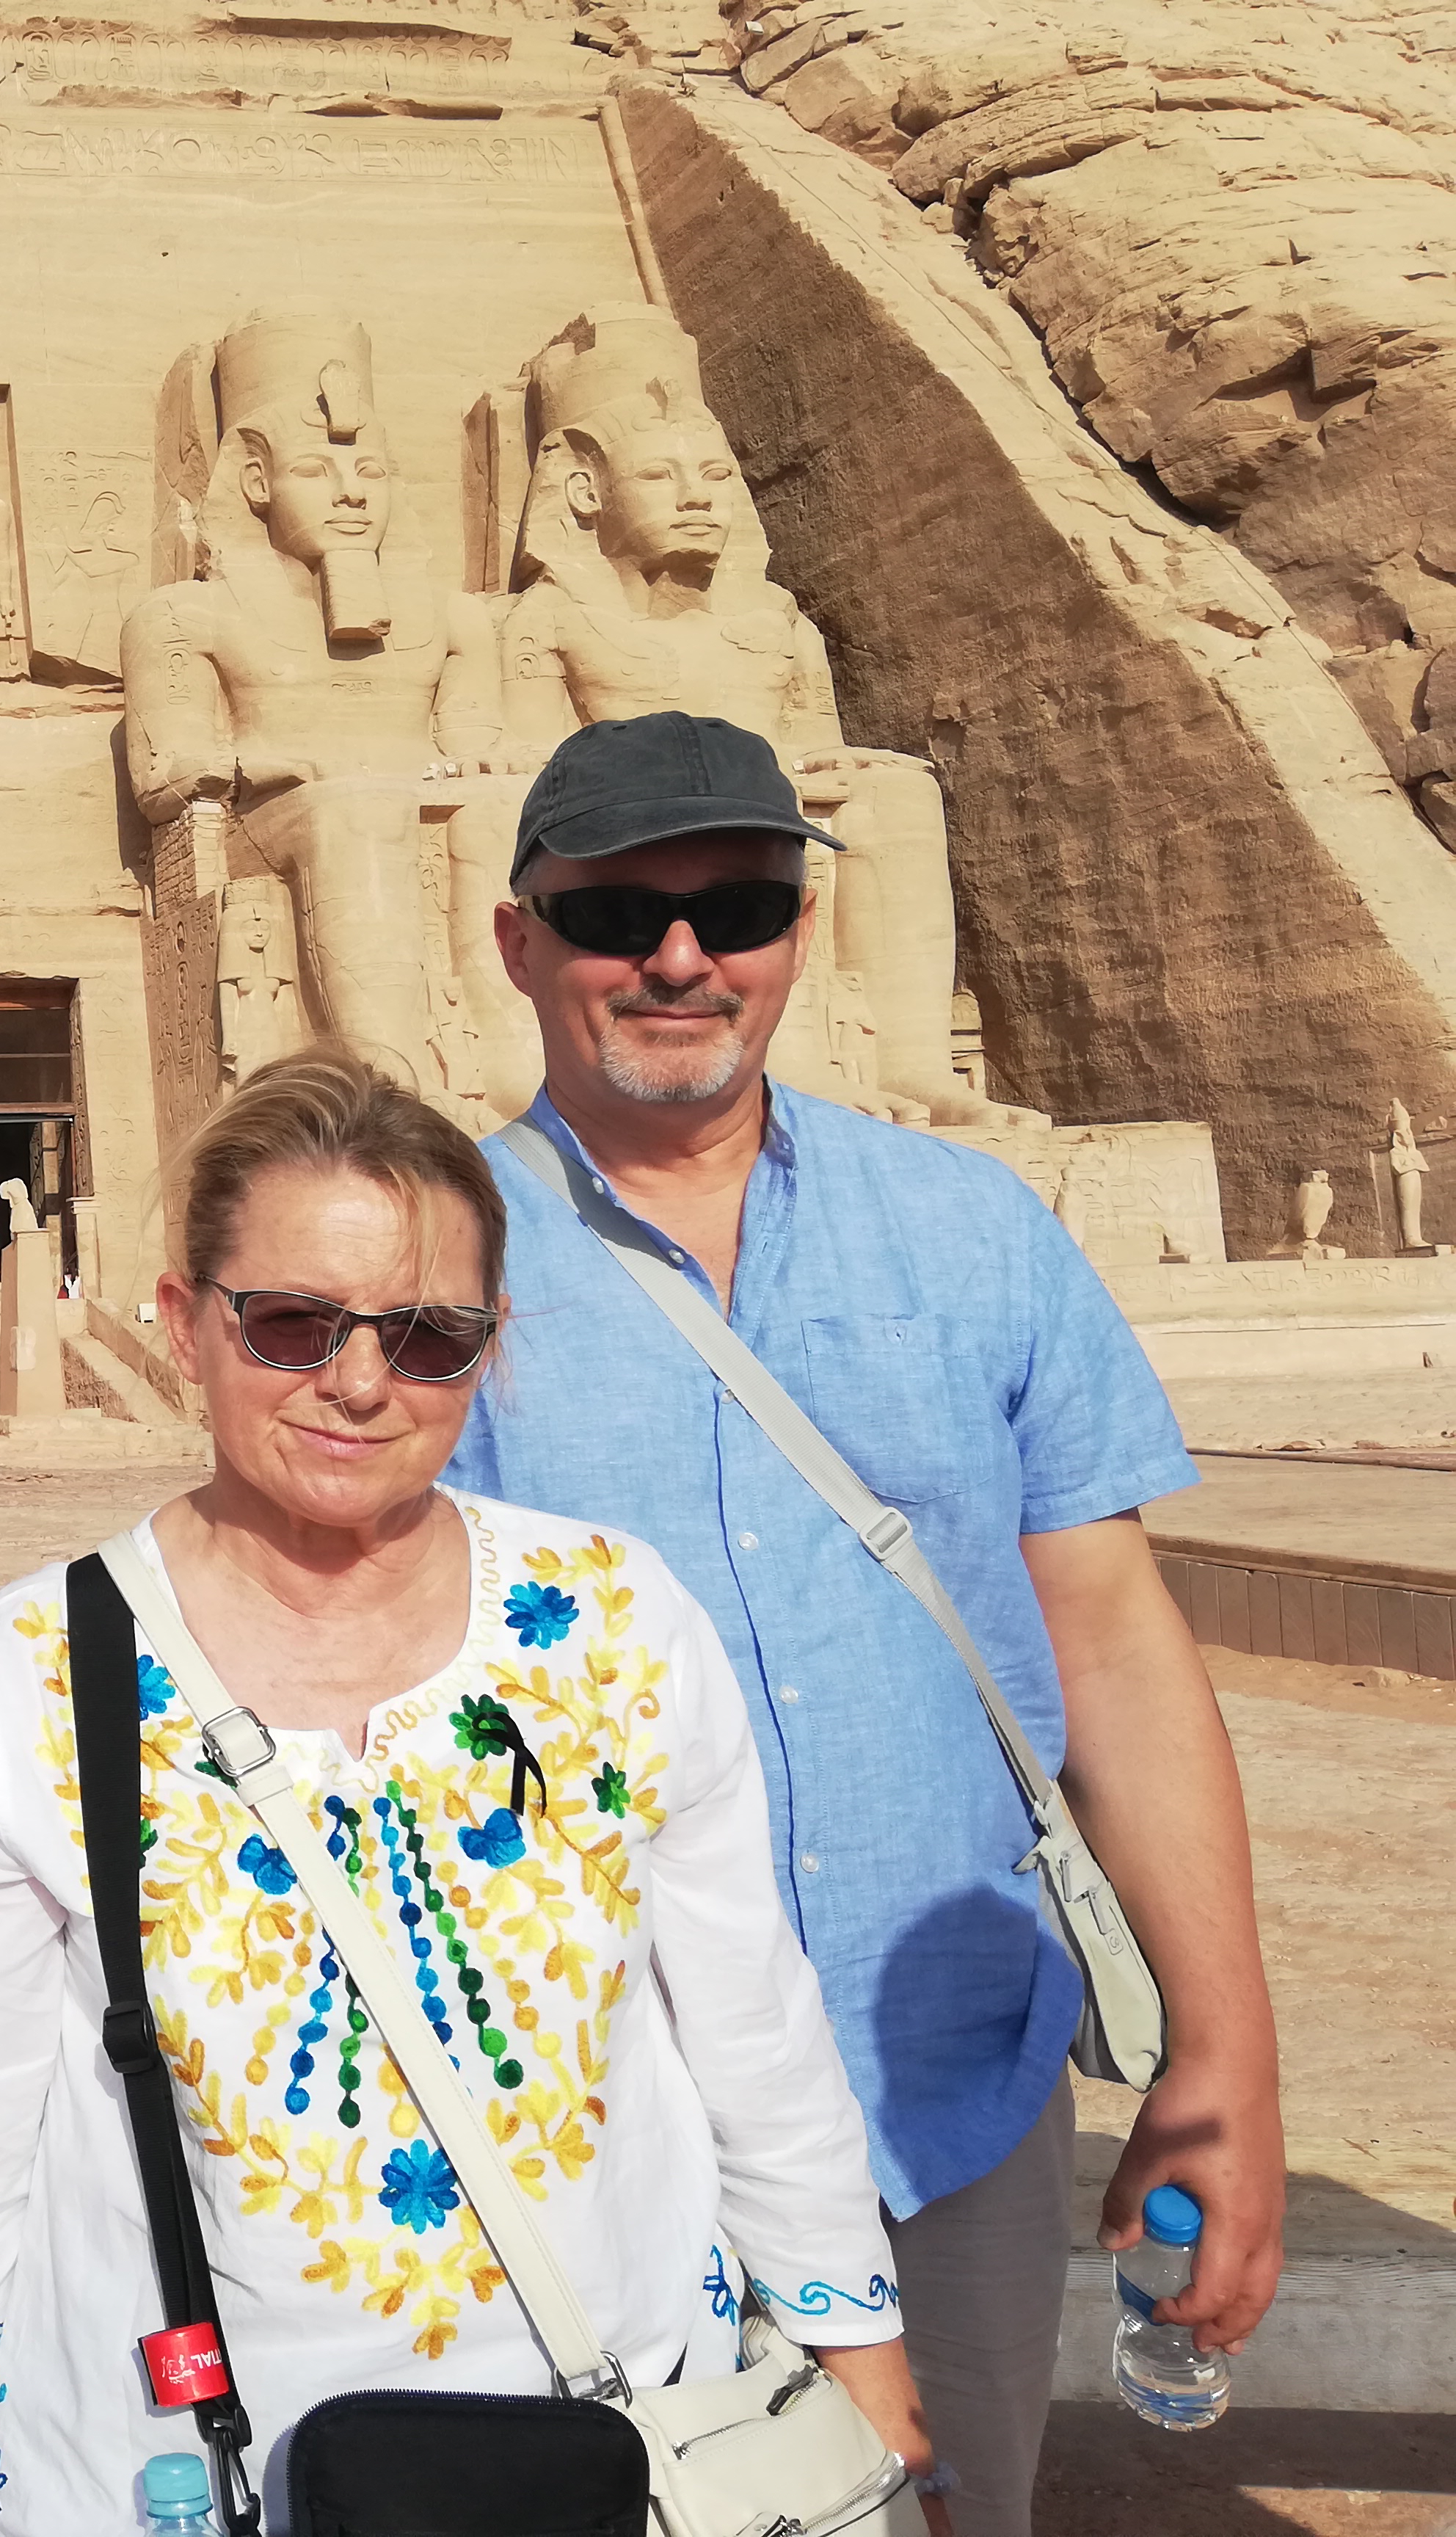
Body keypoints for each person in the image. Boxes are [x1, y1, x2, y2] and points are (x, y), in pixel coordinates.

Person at [0, 1053, 940, 2533]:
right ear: (186, 1325)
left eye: (427, 1337)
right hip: (194, 2468)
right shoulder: (40, 1668)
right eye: (293, 1324)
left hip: (614, 2446)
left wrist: (862, 2364)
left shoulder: (611, 1621)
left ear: (490, 1345)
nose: (359, 1383)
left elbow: (754, 2026)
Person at [448, 711, 1284, 2537]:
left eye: (739, 906)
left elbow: (1114, 1648)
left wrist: (1222, 2058)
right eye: (618, 916)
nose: (683, 958)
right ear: (518, 941)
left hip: (945, 2083)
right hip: (595, 2109)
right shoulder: (438, 1266)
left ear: (802, 933)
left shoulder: (972, 1231)